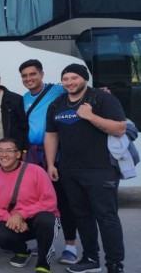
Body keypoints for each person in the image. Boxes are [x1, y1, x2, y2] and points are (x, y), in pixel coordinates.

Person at [45, 64, 127, 273]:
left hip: (101, 169)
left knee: (106, 217)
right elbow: (51, 135)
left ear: (84, 78)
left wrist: (90, 116)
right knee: (81, 215)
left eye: (74, 78)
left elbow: (120, 128)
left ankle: (115, 265)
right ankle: (91, 258)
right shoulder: (57, 104)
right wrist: (51, 164)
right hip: (69, 170)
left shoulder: (101, 98)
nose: (70, 82)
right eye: (66, 79)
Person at [18, 59, 79, 265]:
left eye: (32, 74)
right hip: (35, 156)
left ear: (42, 74)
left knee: (63, 201)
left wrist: (102, 92)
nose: (29, 79)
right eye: (25, 76)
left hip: (58, 154)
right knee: (40, 202)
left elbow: (80, 91)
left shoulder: (57, 90)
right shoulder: (25, 97)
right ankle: (44, 241)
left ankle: (70, 246)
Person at [0, 138, 59, 273]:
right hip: (12, 219)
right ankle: (22, 251)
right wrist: (8, 217)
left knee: (46, 219)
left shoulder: (36, 171)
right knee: (0, 236)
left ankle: (43, 263)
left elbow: (49, 202)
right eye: (0, 151)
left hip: (37, 217)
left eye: (9, 151)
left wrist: (21, 214)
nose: (4, 155)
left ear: (18, 154)